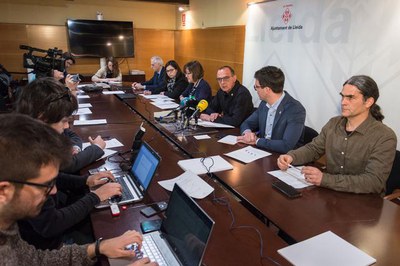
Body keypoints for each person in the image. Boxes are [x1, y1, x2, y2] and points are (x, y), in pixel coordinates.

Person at [0, 113, 156, 266]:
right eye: (46, 185)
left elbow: (38, 260)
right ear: (4, 192)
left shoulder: (7, 225)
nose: (54, 191)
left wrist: (97, 248)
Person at [277, 75, 397, 195]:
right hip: (330, 194)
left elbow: (373, 182)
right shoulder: (333, 123)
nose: (343, 102)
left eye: (350, 98)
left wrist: (324, 179)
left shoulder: (385, 136)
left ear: (368, 102)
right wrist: (291, 157)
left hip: (364, 202)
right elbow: (313, 149)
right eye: (343, 96)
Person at [15, 77, 106, 173]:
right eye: (64, 121)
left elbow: (71, 134)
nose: (66, 126)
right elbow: (65, 167)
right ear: (41, 117)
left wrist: (75, 148)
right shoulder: (24, 148)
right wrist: (96, 148)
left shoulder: (41, 128)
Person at [238, 66, 306, 153]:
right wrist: (247, 133)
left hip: (283, 158)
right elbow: (247, 123)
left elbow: (286, 146)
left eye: (257, 87)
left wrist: (257, 141)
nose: (256, 90)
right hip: (261, 152)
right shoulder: (264, 104)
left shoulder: (296, 110)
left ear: (267, 90)